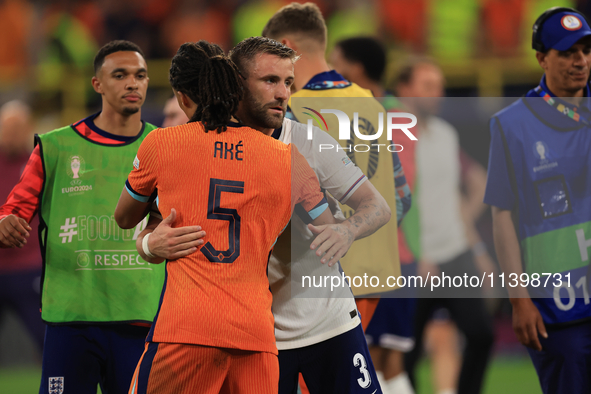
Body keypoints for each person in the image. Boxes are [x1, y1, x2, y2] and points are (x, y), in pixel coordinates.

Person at [136, 36, 393, 394]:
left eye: (288, 82)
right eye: (270, 81)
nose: (283, 93)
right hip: (256, 337)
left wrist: (347, 231)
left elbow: (377, 206)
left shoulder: (310, 143)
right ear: (236, 83)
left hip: (328, 323)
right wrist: (150, 242)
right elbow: (147, 220)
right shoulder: (195, 145)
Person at [0, 40, 165, 394]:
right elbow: (15, 208)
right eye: (119, 75)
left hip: (142, 320)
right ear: (97, 84)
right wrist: (7, 222)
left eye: (140, 75)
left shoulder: (165, 147)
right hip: (71, 320)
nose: (132, 83)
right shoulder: (55, 146)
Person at [262, 3, 410, 393]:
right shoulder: (374, 103)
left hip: (320, 283)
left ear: (284, 46)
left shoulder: (290, 111)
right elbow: (402, 197)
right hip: (376, 273)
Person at [485, 7, 591, 393]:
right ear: (542, 58)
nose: (580, 61)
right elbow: (502, 217)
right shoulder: (511, 125)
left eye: (585, 49)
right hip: (559, 310)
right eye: (567, 52)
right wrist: (519, 301)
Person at [397, 57, 495, 394]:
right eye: (427, 86)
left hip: (455, 251)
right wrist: (417, 254)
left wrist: (476, 248)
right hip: (415, 259)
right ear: (404, 89)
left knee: (482, 334)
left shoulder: (446, 134)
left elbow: (457, 194)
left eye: (439, 86)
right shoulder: (392, 139)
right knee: (405, 351)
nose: (437, 93)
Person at [330, 36, 416, 394]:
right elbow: (405, 195)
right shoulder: (394, 114)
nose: (330, 73)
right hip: (393, 256)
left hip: (376, 258)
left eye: (336, 65)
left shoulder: (376, 116)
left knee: (374, 360)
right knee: (380, 360)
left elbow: (402, 195)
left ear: (357, 69)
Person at [0, 100, 45, 354]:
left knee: (46, 339)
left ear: (29, 128)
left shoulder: (40, 161)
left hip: (29, 267)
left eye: (18, 128)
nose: (12, 134)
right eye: (7, 128)